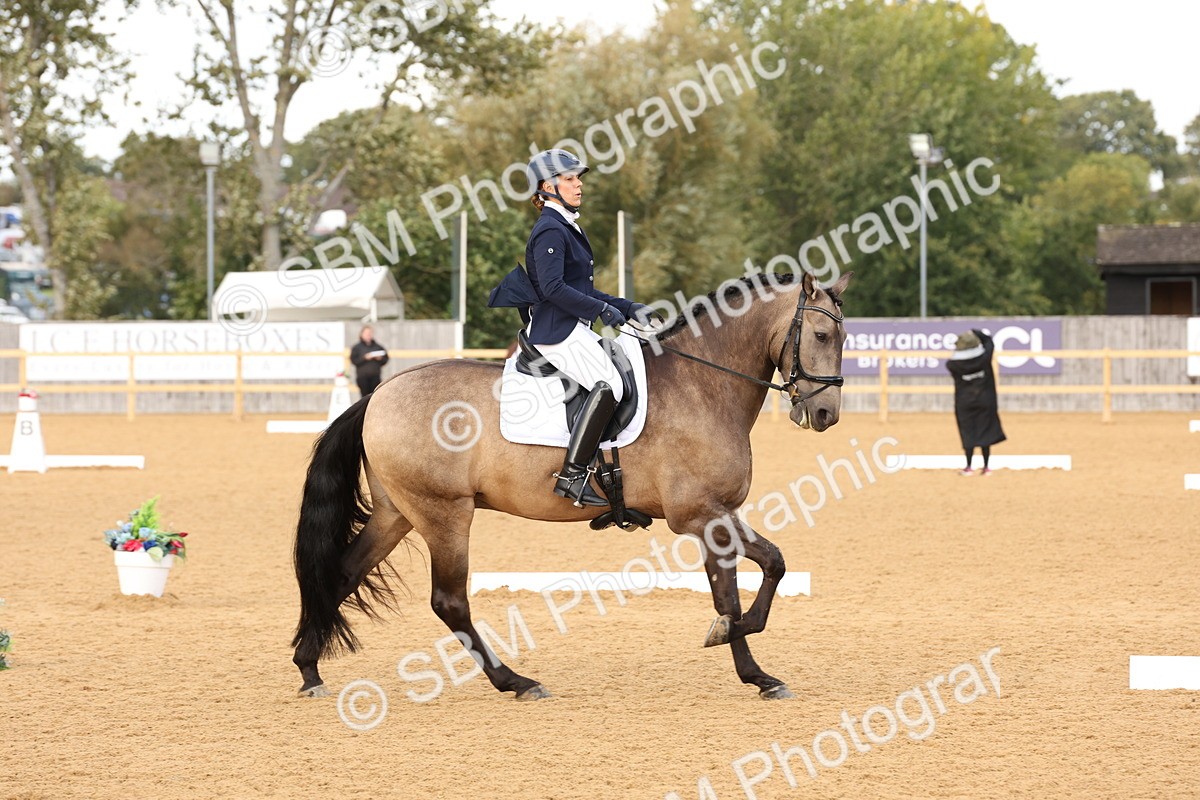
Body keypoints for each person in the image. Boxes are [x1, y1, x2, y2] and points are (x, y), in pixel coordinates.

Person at [490, 148, 657, 507]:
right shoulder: (550, 229)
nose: (578, 184)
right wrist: (601, 310)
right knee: (610, 384)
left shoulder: (567, 225)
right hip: (556, 332)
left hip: (573, 326)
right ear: (548, 187)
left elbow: (582, 289)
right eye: (569, 179)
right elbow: (553, 289)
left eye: (578, 178)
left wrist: (626, 307)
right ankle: (572, 475)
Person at [946, 329, 1006, 476]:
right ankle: (986, 467)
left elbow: (952, 360)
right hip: (986, 400)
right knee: (986, 432)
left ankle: (968, 466)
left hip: (965, 403)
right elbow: (989, 342)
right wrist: (976, 331)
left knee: (968, 432)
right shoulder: (984, 359)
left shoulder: (953, 365)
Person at [350, 325, 389, 396]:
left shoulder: (378, 347)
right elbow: (354, 361)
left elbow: (385, 359)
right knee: (365, 397)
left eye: (370, 333)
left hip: (375, 377)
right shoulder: (357, 348)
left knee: (375, 396)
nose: (368, 335)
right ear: (361, 334)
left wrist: (379, 358)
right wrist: (364, 358)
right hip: (363, 378)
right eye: (366, 333)